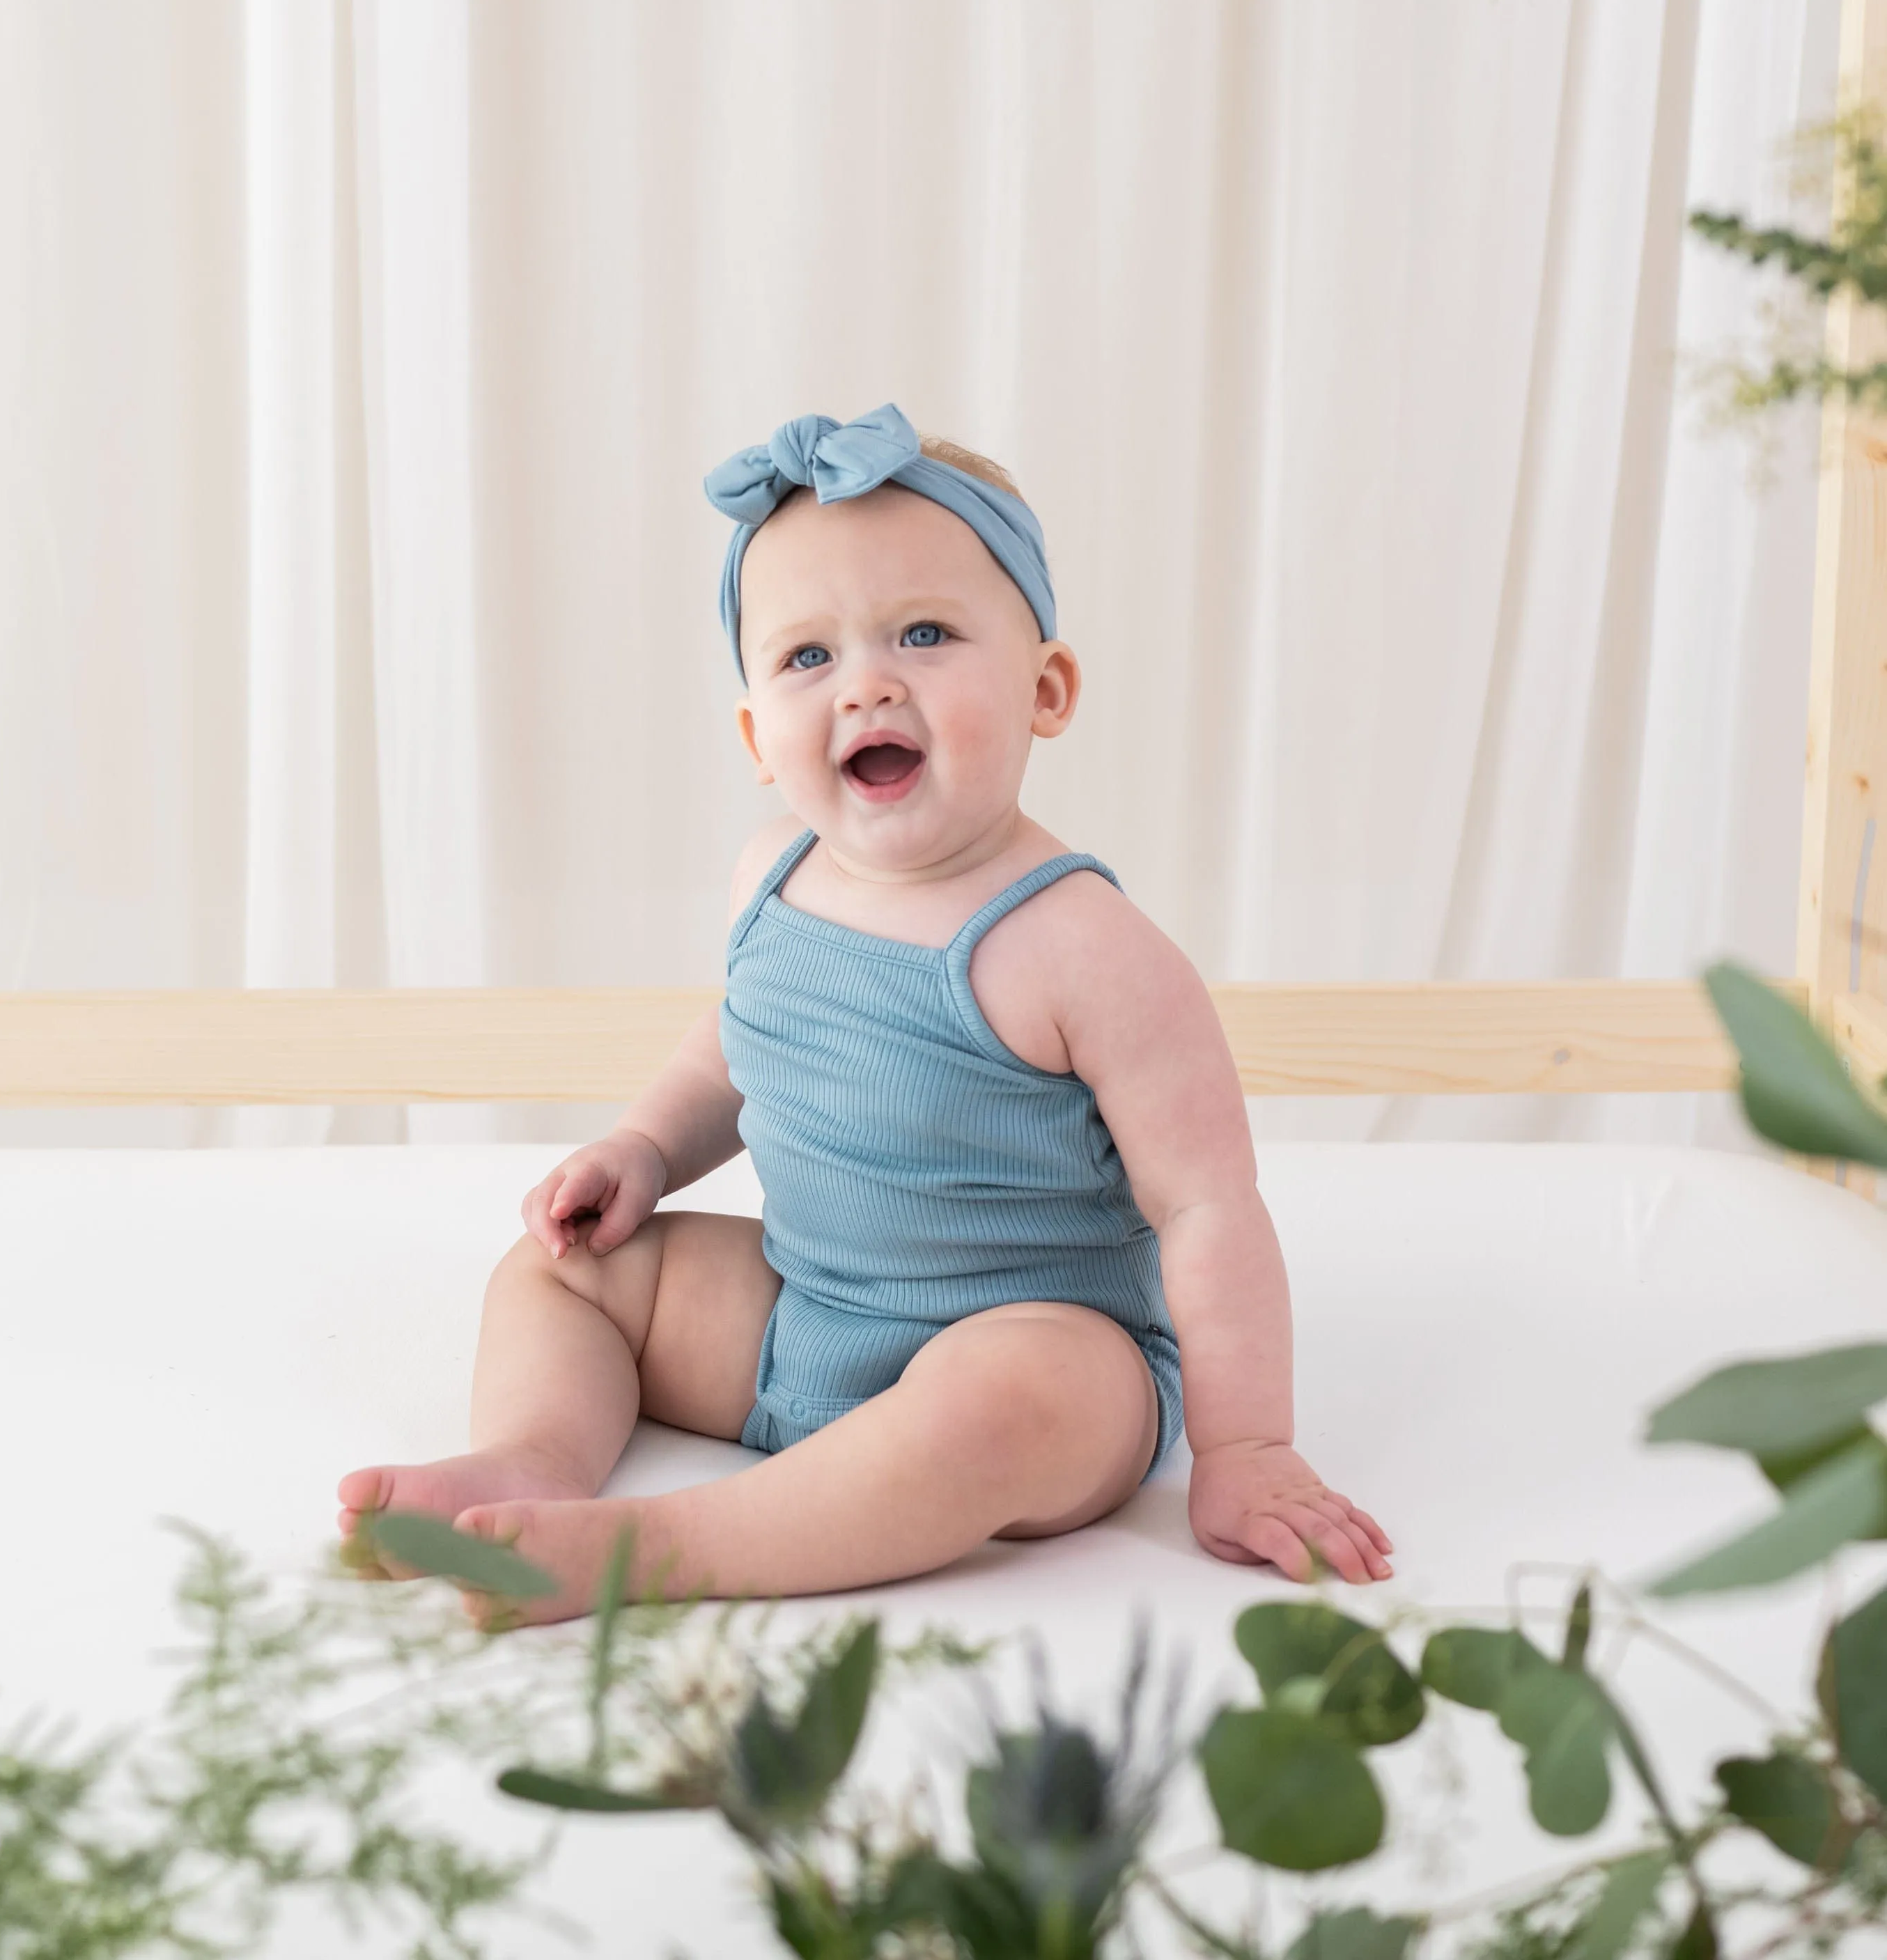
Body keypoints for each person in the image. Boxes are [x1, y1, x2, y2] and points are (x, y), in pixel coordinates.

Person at [339, 403, 1390, 1621]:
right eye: (806, 658)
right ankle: (530, 1461)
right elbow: (739, 1042)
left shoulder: (1086, 946)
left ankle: (652, 1550)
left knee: (1023, 1396)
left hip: (1032, 1346)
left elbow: (1206, 1205)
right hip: (797, 1314)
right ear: (755, 735)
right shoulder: (770, 875)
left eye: (926, 634)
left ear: (1047, 688)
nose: (867, 685)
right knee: (565, 1273)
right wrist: (641, 1148)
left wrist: (1247, 1447)